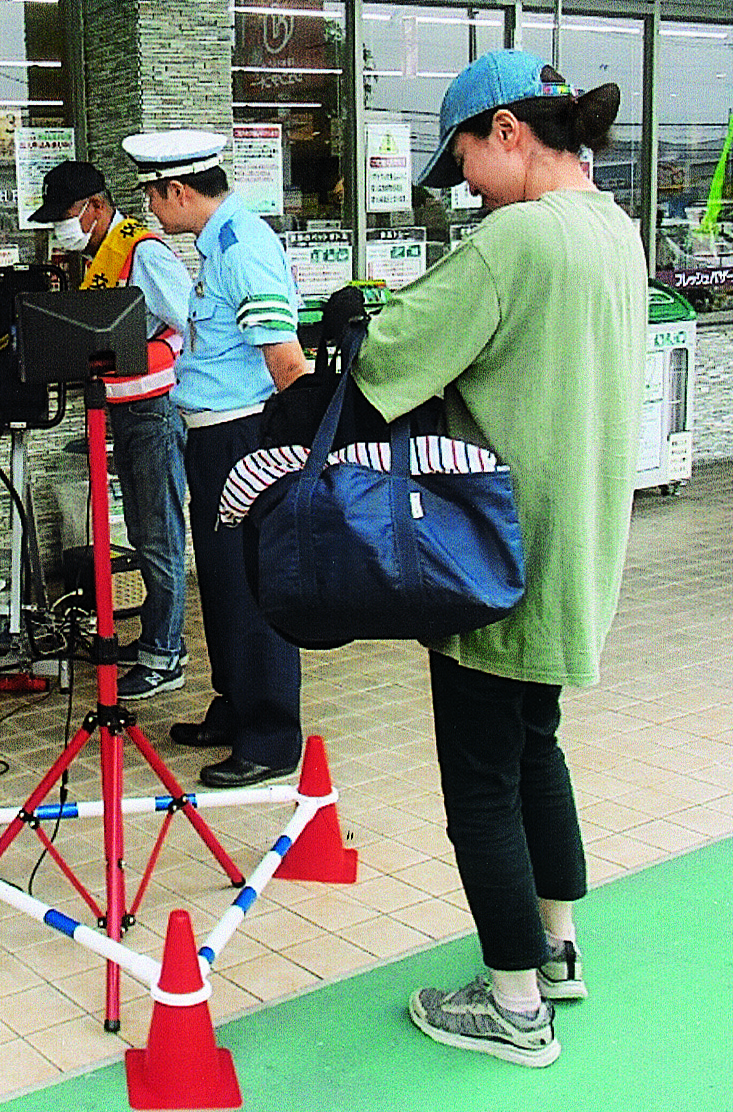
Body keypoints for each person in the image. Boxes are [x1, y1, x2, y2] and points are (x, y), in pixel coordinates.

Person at [352, 50, 645, 1067]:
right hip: (576, 546)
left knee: (477, 777)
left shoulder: (513, 240)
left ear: (509, 131)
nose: (465, 182)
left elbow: (387, 359)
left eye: (465, 157)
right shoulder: (614, 229)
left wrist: (348, 331)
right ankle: (556, 948)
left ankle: (513, 1004)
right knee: (534, 748)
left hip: (489, 556)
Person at [121, 130, 307, 788]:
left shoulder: (239, 247)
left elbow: (284, 358)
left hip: (243, 438)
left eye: (151, 194)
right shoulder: (219, 242)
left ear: (176, 190)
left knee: (252, 584)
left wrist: (302, 447)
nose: (150, 208)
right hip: (214, 436)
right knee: (224, 584)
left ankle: (272, 736)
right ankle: (235, 707)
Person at [29, 160, 193, 700]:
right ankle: (154, 639)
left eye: (66, 216)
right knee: (143, 533)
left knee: (158, 536)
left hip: (152, 412)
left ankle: (165, 656)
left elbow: (188, 322)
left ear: (95, 207)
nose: (61, 227)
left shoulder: (141, 251)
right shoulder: (96, 257)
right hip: (123, 410)